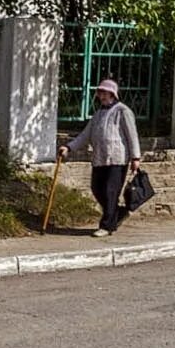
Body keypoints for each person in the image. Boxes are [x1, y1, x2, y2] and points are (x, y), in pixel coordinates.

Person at [60, 77, 142, 238]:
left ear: (113, 94)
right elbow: (85, 135)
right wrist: (69, 147)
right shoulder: (98, 114)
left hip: (117, 158)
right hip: (100, 158)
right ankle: (117, 213)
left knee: (110, 191)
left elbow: (132, 135)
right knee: (96, 188)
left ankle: (106, 226)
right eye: (100, 93)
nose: (102, 96)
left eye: (105, 93)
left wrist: (135, 157)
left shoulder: (122, 111)